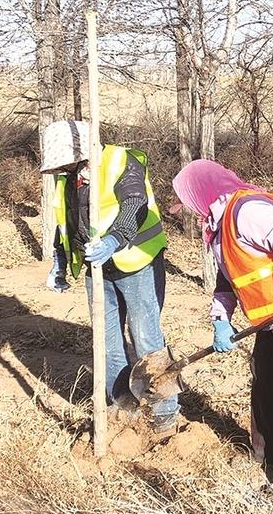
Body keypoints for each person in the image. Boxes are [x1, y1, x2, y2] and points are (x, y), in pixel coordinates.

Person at [171, 160, 273, 483]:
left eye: (189, 201)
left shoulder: (247, 211)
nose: (189, 210)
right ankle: (268, 457)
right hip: (266, 317)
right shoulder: (218, 225)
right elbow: (228, 275)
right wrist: (220, 318)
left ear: (203, 192)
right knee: (263, 380)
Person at [41, 121, 177, 436]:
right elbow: (67, 220)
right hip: (98, 269)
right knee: (107, 342)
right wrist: (60, 259)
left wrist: (114, 239)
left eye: (70, 163)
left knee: (147, 340)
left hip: (137, 260)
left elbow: (135, 204)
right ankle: (124, 408)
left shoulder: (120, 161)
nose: (66, 170)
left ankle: (165, 414)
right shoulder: (68, 178)